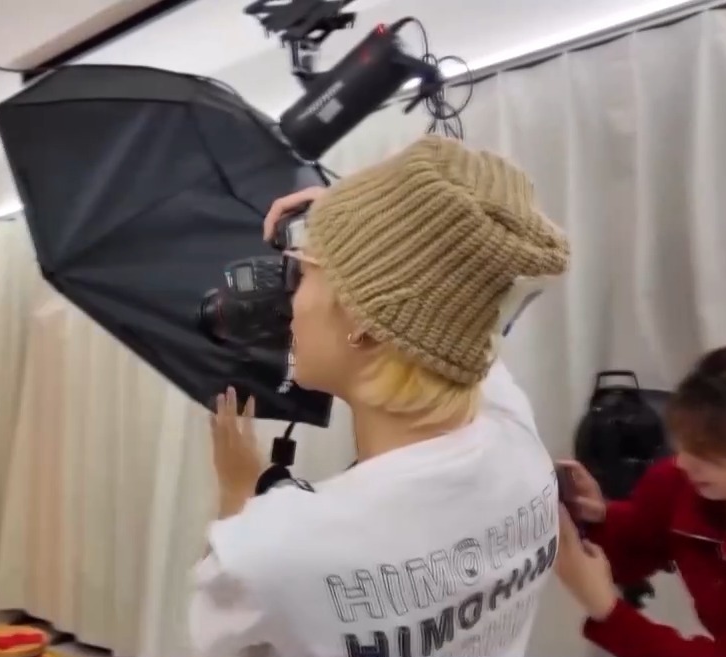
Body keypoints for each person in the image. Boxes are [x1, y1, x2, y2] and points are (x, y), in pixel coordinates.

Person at [190, 135, 572, 657]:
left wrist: (239, 497)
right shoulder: (518, 437)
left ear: (363, 325)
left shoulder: (270, 551)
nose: (289, 300)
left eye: (302, 273)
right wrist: (365, 223)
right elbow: (458, 298)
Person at [555, 325, 726, 657]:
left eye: (709, 457)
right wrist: (597, 519)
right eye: (683, 444)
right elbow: (637, 545)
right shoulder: (680, 483)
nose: (682, 462)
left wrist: (607, 609)